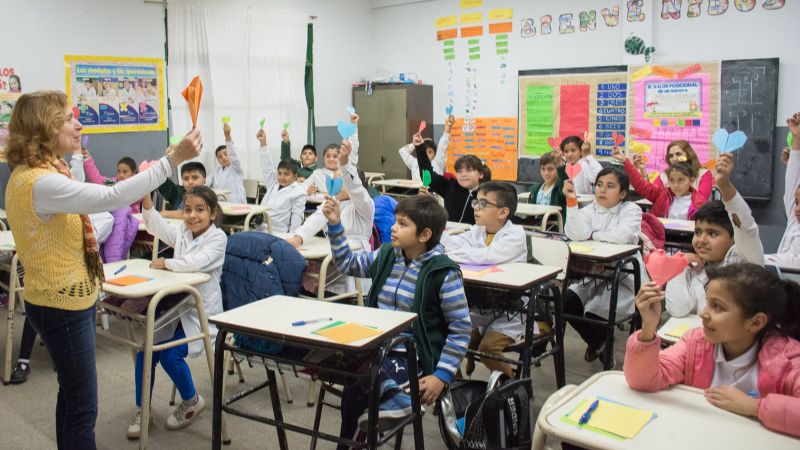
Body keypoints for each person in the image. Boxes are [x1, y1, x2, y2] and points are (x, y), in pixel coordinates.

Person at [2, 90, 201, 449]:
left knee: (71, 395)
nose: (77, 124)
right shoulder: (41, 182)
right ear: (43, 128)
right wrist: (172, 159)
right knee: (82, 406)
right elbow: (112, 197)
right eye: (66, 118)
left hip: (49, 298)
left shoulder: (35, 174)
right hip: (62, 304)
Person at [323, 194, 470, 448]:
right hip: (376, 343)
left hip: (413, 354)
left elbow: (461, 329)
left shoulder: (443, 272)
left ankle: (350, 441)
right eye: (395, 221)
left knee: (360, 385)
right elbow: (347, 263)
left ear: (424, 235)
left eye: (402, 224)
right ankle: (388, 404)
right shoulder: (388, 254)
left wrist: (442, 376)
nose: (393, 228)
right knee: (345, 369)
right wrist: (335, 225)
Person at [625, 263, 800, 438]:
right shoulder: (696, 343)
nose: (703, 313)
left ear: (755, 322)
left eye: (717, 307)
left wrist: (754, 407)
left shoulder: (788, 358)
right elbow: (643, 380)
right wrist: (649, 327)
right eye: (708, 302)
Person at [126, 186, 226, 439]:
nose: (192, 215)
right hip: (176, 308)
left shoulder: (218, 238)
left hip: (200, 313)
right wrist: (147, 196)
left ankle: (192, 401)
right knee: (145, 352)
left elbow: (196, 263)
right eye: (188, 209)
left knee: (170, 356)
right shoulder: (183, 232)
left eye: (200, 210)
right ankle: (143, 409)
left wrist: (166, 263)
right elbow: (157, 226)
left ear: (212, 214)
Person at [562, 166, 649, 364]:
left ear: (623, 193)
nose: (602, 190)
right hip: (595, 272)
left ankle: (603, 349)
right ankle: (599, 342)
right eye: (599, 185)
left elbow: (625, 235)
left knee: (596, 311)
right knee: (567, 302)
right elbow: (576, 233)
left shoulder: (631, 210)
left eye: (610, 186)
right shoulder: (589, 209)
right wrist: (571, 202)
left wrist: (594, 235)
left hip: (624, 275)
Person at [440, 181, 526, 379]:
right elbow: (450, 246)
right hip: (481, 307)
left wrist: (469, 253)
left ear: (503, 212)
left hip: (511, 310)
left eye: (484, 204)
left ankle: (512, 386)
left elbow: (487, 257)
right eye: (476, 202)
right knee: (443, 338)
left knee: (487, 349)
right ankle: (456, 389)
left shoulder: (515, 235)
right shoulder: (477, 231)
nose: (477, 208)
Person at [665, 153, 764, 317]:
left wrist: (724, 185)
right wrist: (680, 264)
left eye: (712, 233)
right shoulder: (696, 266)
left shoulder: (744, 259)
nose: (702, 240)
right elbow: (677, 310)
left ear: (733, 239)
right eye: (697, 232)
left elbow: (746, 227)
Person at [288, 140, 374, 296]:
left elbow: (356, 190)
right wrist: (298, 238)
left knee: (334, 291)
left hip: (354, 262)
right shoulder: (334, 201)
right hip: (331, 256)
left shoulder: (364, 205)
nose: (335, 184)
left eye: (340, 180)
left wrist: (346, 163)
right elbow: (316, 219)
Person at [416, 132, 491, 224]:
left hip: (474, 236)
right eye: (459, 171)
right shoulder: (450, 186)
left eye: (469, 170)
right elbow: (427, 176)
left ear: (481, 174)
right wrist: (420, 147)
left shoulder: (489, 194)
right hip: (450, 234)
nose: (463, 174)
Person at [613, 147, 706, 219]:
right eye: (672, 180)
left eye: (681, 180)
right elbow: (640, 184)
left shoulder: (699, 202)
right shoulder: (662, 194)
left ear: (692, 180)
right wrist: (625, 160)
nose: (676, 185)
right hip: (661, 237)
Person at [765, 113, 800, 269]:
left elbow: (794, 262)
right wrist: (797, 137)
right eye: (797, 202)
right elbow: (793, 180)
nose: (797, 208)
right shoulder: (795, 220)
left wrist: (758, 258)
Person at [258, 128, 307, 233]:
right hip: (260, 229)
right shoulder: (274, 184)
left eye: (286, 174)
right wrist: (263, 143)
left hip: (278, 233)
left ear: (295, 176)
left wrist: (292, 238)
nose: (282, 177)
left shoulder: (298, 192)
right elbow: (267, 167)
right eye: (279, 174)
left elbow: (297, 218)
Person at [634, 140, 714, 200]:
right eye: (671, 156)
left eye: (678, 154)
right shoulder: (664, 176)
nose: (674, 159)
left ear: (689, 155)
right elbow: (652, 194)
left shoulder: (703, 174)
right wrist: (642, 169)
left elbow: (702, 200)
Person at [303, 113, 359, 195]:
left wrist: (353, 125)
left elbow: (352, 147)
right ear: (323, 158)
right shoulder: (317, 174)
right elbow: (303, 187)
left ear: (340, 157)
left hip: (345, 205)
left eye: (335, 156)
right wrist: (307, 190)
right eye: (328, 156)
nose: (331, 159)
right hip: (325, 205)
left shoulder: (346, 170)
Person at [79, 147, 141, 213]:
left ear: (133, 173)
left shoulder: (137, 188)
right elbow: (97, 179)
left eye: (125, 172)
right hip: (115, 218)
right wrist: (87, 158)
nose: (121, 175)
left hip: (133, 219)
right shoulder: (113, 182)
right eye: (119, 171)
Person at [399, 115, 453, 182]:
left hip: (433, 192)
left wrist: (447, 130)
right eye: (424, 151)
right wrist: (415, 144)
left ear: (435, 154)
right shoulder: (415, 163)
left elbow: (442, 145)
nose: (426, 154)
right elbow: (402, 151)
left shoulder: (438, 162)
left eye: (430, 152)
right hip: (418, 192)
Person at [207, 121, 246, 203]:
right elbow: (206, 182)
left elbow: (233, 156)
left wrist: (227, 136)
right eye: (220, 157)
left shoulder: (236, 167)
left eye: (226, 154)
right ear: (218, 160)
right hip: (221, 205)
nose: (224, 158)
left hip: (237, 205)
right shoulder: (216, 170)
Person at [528, 151, 568, 219]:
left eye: (550, 169)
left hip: (553, 227)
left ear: (557, 169)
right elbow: (530, 213)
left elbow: (565, 182)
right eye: (543, 169)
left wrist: (560, 165)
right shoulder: (535, 189)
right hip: (537, 226)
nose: (546, 173)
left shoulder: (560, 187)